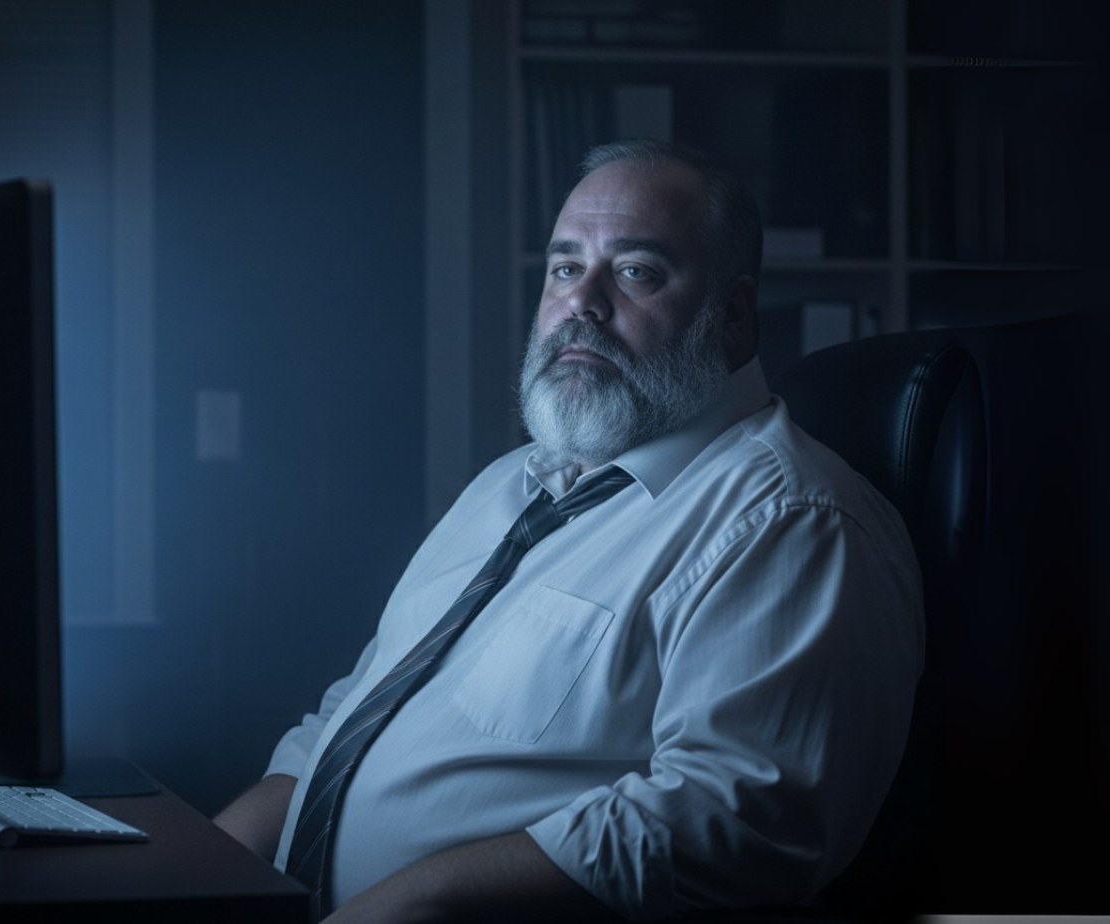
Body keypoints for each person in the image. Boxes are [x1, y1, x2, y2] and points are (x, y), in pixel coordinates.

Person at [212, 139, 924, 922]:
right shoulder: (509, 483)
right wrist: (199, 873)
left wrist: (409, 901)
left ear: (730, 313)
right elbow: (355, 709)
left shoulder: (788, 521)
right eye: (564, 268)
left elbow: (733, 819)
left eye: (635, 271)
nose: (583, 302)